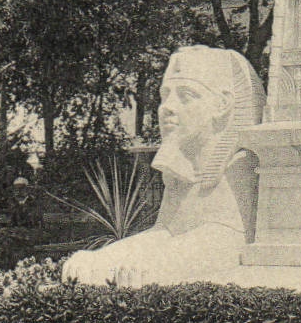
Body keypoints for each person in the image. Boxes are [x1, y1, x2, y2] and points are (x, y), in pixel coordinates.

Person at [60, 46, 264, 287]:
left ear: (222, 104)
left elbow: (229, 240)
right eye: (165, 95)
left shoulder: (239, 165)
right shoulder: (183, 172)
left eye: (185, 95)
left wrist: (160, 262)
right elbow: (165, 232)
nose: (167, 107)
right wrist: (106, 256)